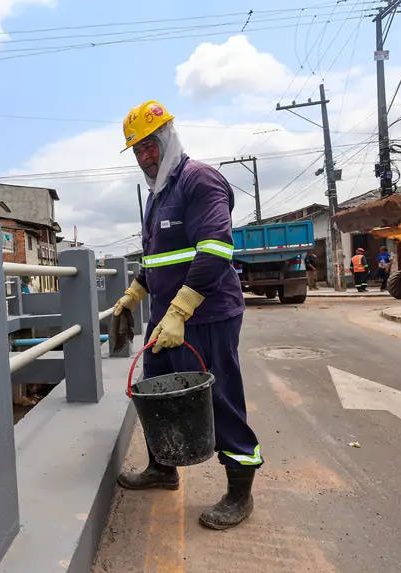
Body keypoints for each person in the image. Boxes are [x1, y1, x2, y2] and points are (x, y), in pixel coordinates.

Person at [113, 101, 262, 530]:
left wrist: (180, 310)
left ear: (168, 139)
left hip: (207, 314)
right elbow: (156, 259)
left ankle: (240, 491)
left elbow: (215, 250)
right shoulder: (157, 196)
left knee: (219, 399)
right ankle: (163, 468)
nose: (145, 156)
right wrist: (132, 295)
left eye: (150, 145)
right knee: (155, 390)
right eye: (137, 150)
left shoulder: (199, 180)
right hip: (166, 318)